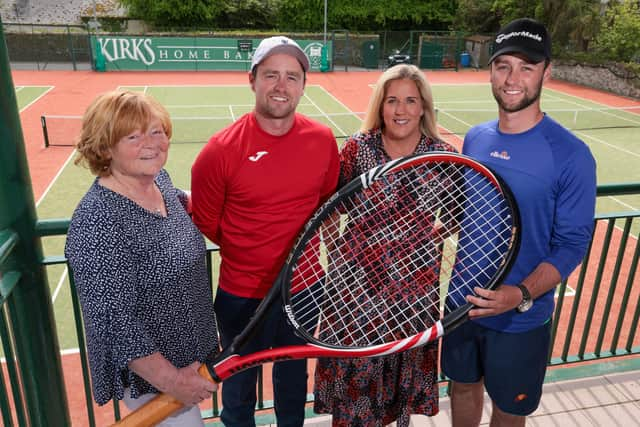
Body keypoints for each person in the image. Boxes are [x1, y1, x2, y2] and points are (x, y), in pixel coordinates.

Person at [441, 18, 597, 427]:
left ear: (547, 71)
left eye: (526, 67)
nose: (513, 78)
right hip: (462, 304)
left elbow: (571, 245)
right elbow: (473, 209)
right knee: (462, 389)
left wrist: (521, 293)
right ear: (491, 71)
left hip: (520, 317)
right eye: (504, 65)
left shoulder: (572, 155)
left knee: (509, 411)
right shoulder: (475, 138)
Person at [191, 36, 340, 427]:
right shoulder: (220, 150)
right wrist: (249, 247)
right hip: (241, 294)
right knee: (238, 393)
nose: (281, 85)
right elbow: (206, 219)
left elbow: (323, 201)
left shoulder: (323, 141)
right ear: (252, 79)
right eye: (271, 74)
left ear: (303, 85)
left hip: (304, 289)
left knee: (292, 386)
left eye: (292, 77)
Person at [313, 64, 458, 427]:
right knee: (355, 398)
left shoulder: (444, 156)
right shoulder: (358, 149)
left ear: (424, 107)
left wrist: (424, 239)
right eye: (392, 100)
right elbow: (333, 209)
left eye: (410, 100)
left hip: (412, 293)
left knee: (396, 393)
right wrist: (338, 263)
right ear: (380, 106)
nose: (401, 110)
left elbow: (457, 214)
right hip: (356, 291)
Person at [64, 90, 219, 426]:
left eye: (157, 131)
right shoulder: (97, 221)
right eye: (132, 136)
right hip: (157, 380)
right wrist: (175, 383)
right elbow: (117, 325)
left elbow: (179, 202)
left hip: (188, 357)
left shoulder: (158, 181)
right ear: (105, 148)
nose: (151, 143)